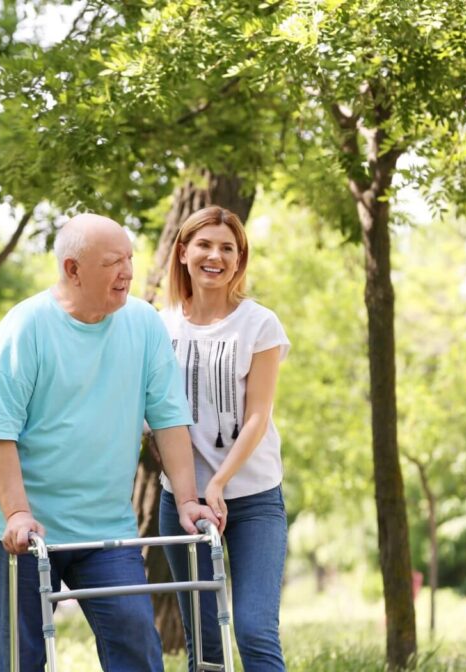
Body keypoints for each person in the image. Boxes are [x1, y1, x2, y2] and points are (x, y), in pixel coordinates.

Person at [0, 213, 219, 672]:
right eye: (112, 262)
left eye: (129, 258)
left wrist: (187, 499)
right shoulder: (24, 329)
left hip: (104, 524)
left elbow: (169, 420)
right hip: (21, 526)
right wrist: (18, 513)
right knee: (21, 660)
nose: (126, 271)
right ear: (72, 270)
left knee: (137, 645)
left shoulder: (143, 325)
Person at [158, 206, 290, 671]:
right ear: (183, 252)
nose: (216, 256)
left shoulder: (259, 324)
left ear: (239, 259)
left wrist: (218, 484)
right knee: (206, 643)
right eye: (205, 245)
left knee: (255, 630)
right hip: (183, 503)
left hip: (253, 497)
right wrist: (193, 492)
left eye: (227, 248)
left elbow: (257, 416)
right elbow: (154, 416)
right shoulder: (161, 324)